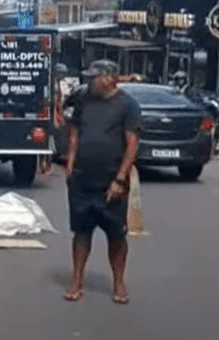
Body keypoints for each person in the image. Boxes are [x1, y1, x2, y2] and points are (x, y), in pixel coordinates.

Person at [63, 59, 141, 304]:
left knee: (116, 234)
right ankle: (77, 279)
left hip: (111, 181)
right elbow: (75, 134)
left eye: (94, 77)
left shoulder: (127, 105)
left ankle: (118, 282)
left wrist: (120, 179)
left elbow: (131, 145)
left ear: (109, 77)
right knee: (81, 232)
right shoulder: (84, 101)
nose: (90, 81)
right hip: (82, 179)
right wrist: (70, 166)